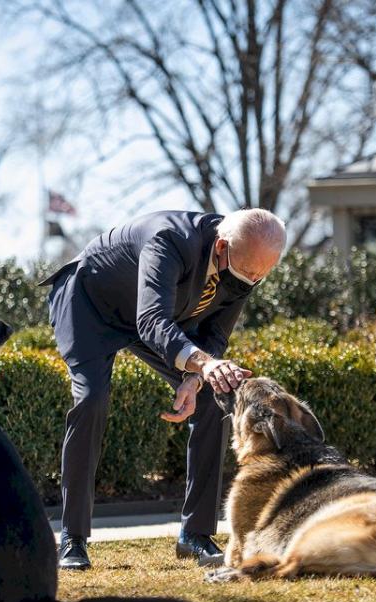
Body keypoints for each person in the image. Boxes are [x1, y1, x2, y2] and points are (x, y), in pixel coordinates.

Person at [40, 208, 286, 569]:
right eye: (249, 272)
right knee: (91, 398)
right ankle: (72, 539)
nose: (252, 281)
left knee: (212, 400)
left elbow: (215, 333)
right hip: (88, 304)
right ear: (220, 246)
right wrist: (203, 363)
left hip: (152, 319)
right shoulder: (169, 241)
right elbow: (152, 320)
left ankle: (195, 535)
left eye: (261, 275)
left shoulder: (246, 259)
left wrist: (195, 377)